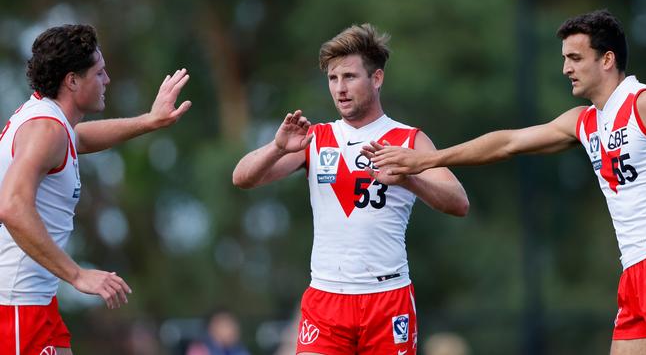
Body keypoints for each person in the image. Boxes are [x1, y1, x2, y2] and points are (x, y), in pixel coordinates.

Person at [362, 9, 646, 355]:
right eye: (564, 59)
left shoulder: (642, 104)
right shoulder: (585, 122)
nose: (566, 69)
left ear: (607, 60)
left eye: (575, 58)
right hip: (634, 272)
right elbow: (506, 143)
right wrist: (426, 160)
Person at [233, 23, 469, 355]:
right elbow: (243, 177)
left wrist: (408, 178)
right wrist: (277, 146)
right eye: (333, 78)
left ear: (377, 79)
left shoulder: (409, 139)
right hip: (326, 298)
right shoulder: (314, 138)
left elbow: (459, 202)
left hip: (387, 299)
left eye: (350, 77)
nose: (340, 88)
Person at [0, 24, 191, 355]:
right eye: (99, 72)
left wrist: (150, 120)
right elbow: (12, 206)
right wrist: (78, 275)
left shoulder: (54, 124)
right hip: (15, 307)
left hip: (36, 303)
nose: (107, 80)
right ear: (72, 80)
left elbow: (82, 138)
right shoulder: (46, 129)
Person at [185, 309, 250, 355]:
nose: (233, 330)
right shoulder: (199, 350)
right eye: (226, 325)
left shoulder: (240, 350)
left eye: (234, 325)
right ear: (212, 328)